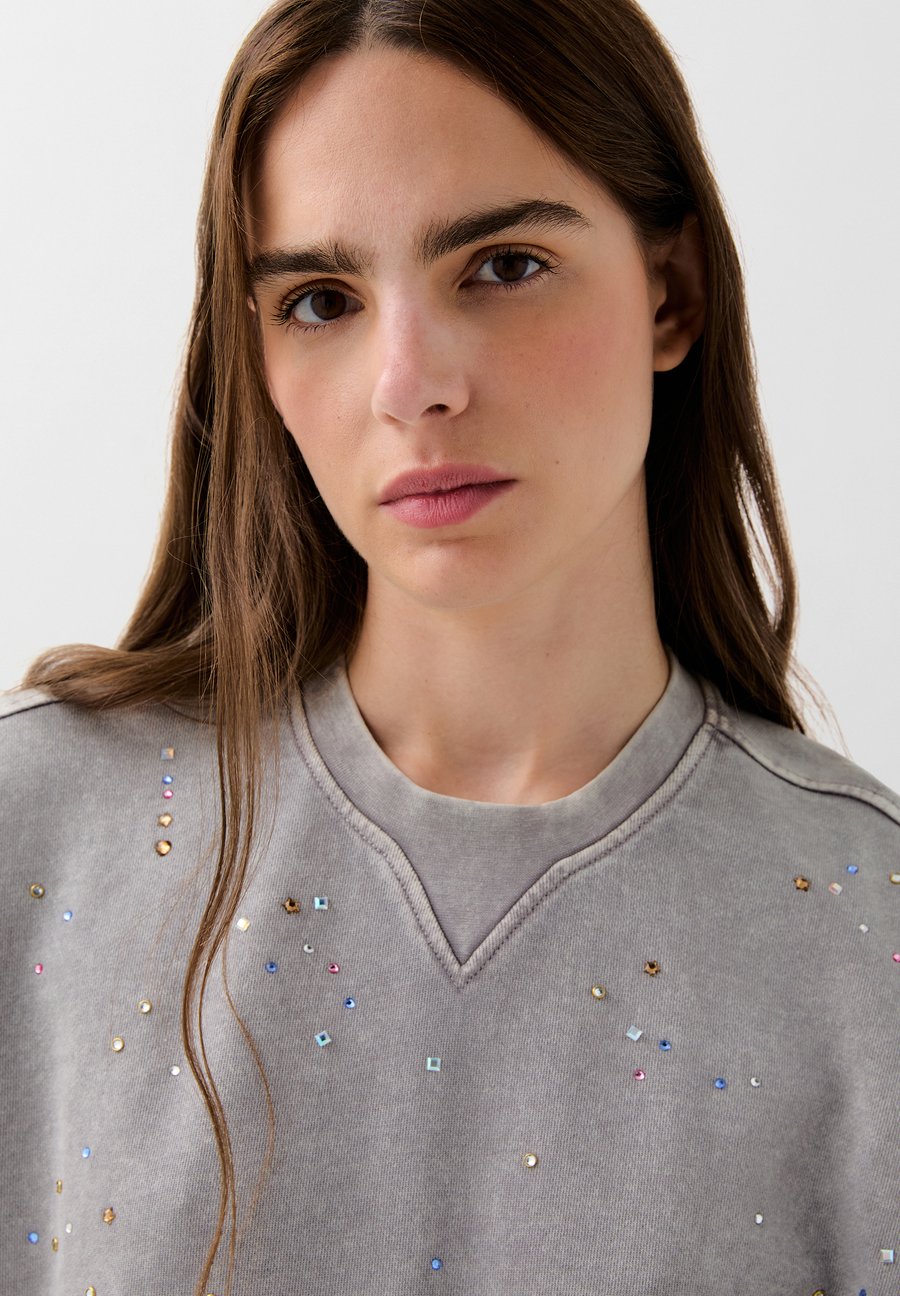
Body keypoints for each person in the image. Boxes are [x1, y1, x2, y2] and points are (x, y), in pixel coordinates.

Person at [2, 0, 896, 1293]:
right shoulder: (43, 835)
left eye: (503, 266)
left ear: (674, 291)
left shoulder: (867, 935)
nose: (409, 382)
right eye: (321, 301)